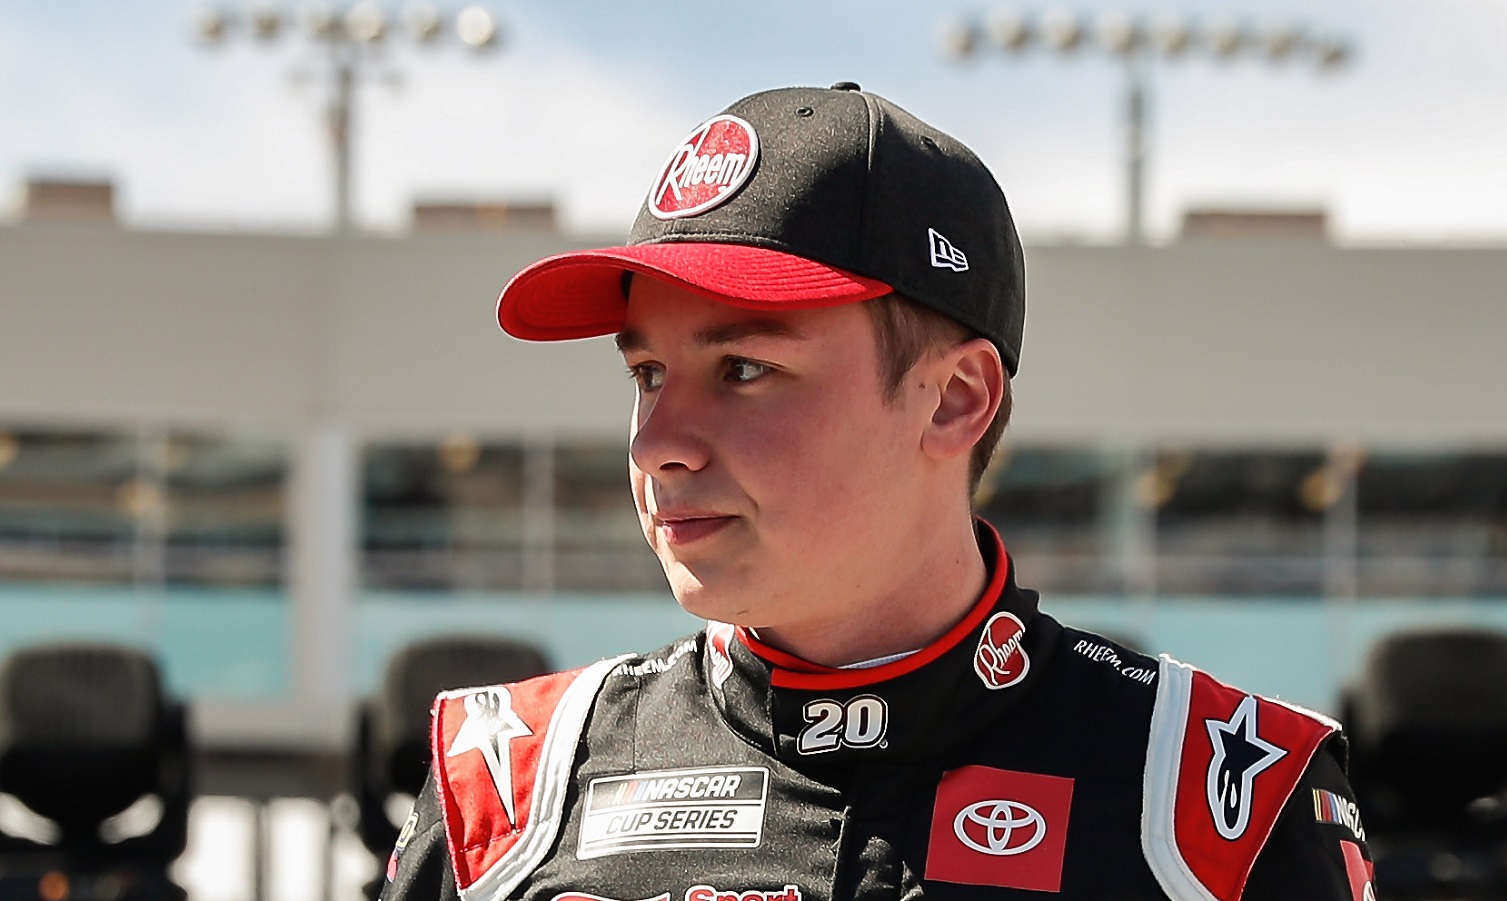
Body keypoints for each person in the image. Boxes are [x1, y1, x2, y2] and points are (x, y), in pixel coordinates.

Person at [381, 83, 1376, 901]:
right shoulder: (502, 790)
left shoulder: (1224, 807)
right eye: (645, 374)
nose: (658, 444)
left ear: (953, 400)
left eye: (742, 370)